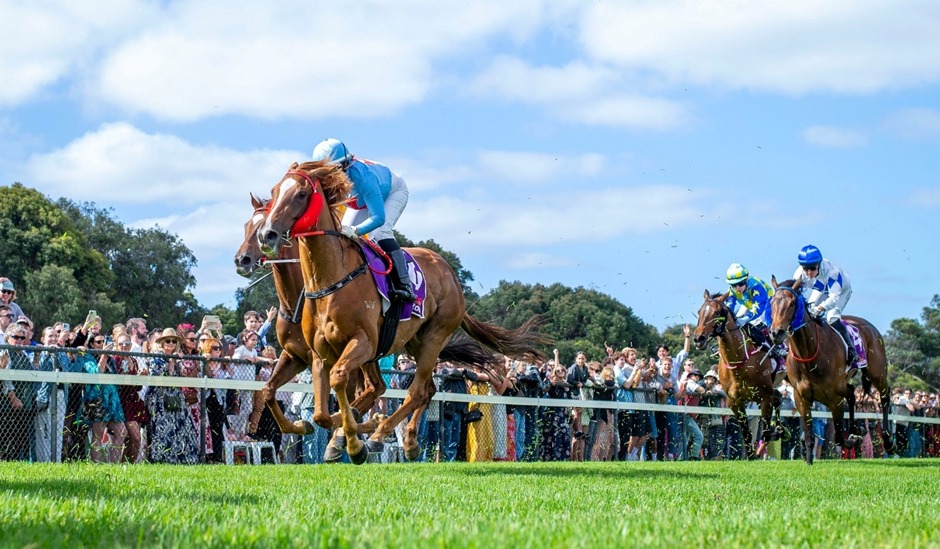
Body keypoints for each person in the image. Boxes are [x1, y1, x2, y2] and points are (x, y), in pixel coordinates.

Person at [311, 138, 416, 303]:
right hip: (361, 199)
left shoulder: (364, 178)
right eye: (324, 171)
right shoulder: (327, 177)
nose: (328, 177)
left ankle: (404, 284)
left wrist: (357, 231)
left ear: (344, 165)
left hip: (391, 192)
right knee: (341, 234)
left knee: (380, 233)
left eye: (332, 170)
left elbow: (378, 218)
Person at [792, 245, 858, 368]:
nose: (808, 273)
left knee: (831, 317)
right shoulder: (798, 275)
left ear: (818, 264)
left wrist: (820, 308)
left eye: (812, 269)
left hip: (840, 291)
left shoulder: (832, 273)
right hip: (820, 288)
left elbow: (833, 298)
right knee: (808, 312)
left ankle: (851, 349)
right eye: (805, 269)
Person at [725, 263, 786, 368]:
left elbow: (759, 307)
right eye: (734, 285)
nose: (737, 288)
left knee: (755, 325)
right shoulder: (731, 291)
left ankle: (776, 349)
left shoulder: (755, 285)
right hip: (748, 304)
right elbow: (729, 307)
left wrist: (745, 319)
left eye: (740, 283)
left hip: (767, 304)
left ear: (746, 279)